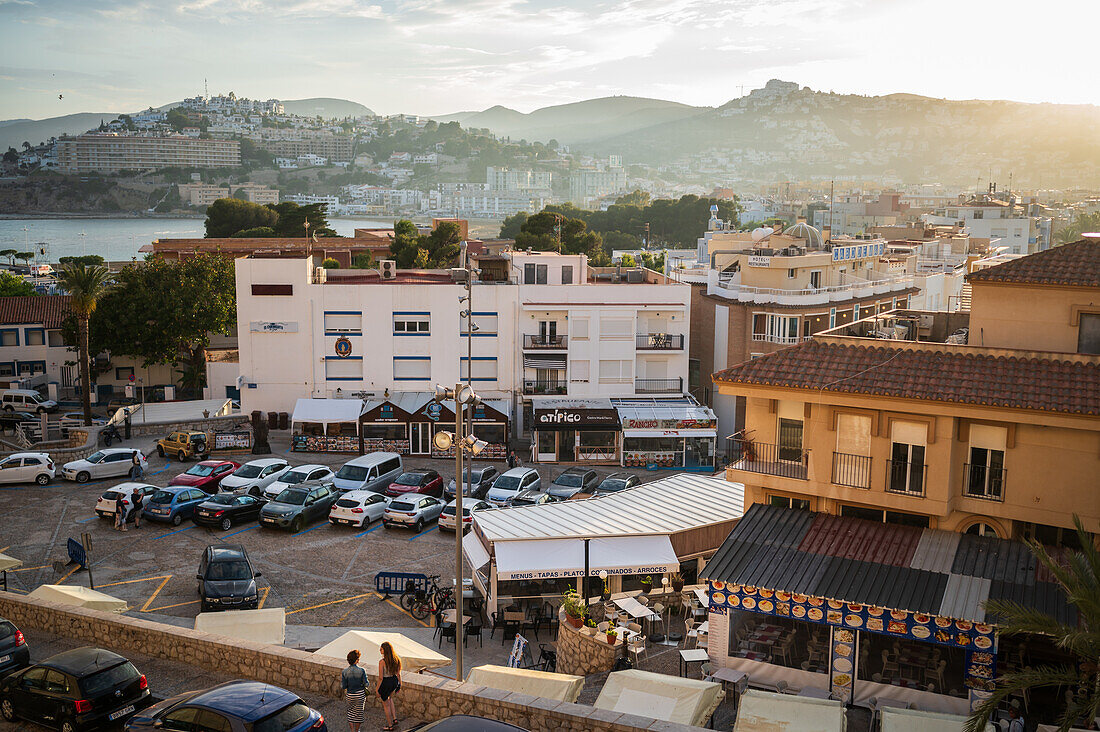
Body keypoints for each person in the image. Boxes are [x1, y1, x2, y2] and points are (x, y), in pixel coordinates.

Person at [341, 649, 369, 732]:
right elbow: (366, 684)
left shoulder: (344, 672)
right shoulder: (362, 671)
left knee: (350, 712)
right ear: (356, 660)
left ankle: (352, 730)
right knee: (358, 714)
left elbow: (343, 686)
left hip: (350, 695)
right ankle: (357, 730)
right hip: (360, 695)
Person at [377, 641, 402, 731]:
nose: (380, 650)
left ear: (385, 650)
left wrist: (377, 689)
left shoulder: (382, 662)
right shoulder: (397, 659)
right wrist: (400, 685)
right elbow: (398, 674)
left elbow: (381, 678)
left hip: (386, 683)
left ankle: (390, 726)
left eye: (381, 649)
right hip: (394, 682)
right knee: (390, 699)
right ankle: (395, 719)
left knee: (386, 705)